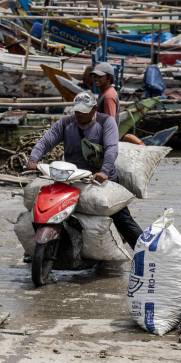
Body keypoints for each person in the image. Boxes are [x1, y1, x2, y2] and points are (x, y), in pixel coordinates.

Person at [27, 92, 142, 249]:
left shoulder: (106, 122)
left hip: (101, 179)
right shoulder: (66, 123)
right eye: (77, 110)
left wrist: (104, 171)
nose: (79, 114)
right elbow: (47, 140)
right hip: (72, 178)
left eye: (83, 111)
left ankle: (145, 252)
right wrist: (33, 158)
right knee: (42, 208)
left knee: (122, 219)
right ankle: (39, 249)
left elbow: (111, 149)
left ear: (94, 109)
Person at [90, 62, 144, 145]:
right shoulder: (104, 92)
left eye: (100, 76)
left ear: (108, 78)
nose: (96, 79)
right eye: (95, 76)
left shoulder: (108, 96)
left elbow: (110, 124)